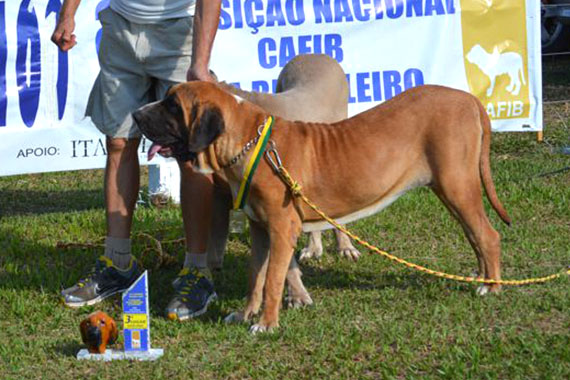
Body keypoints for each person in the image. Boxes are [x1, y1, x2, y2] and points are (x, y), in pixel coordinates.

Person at [51, 0, 222, 320]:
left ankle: (198, 272)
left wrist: (200, 62)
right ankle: (118, 264)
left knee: (190, 152)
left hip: (180, 33)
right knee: (118, 141)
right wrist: (68, 14)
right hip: (121, 28)